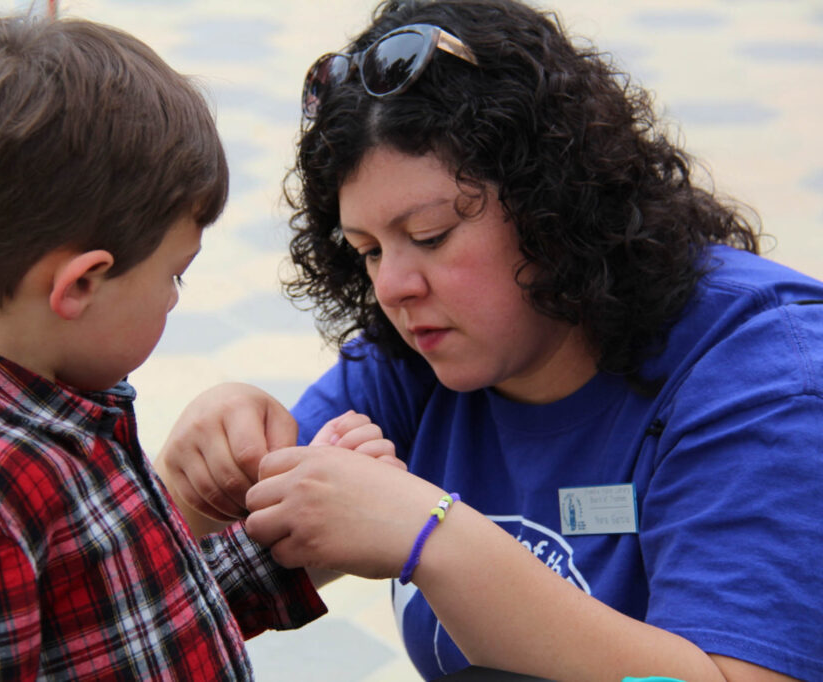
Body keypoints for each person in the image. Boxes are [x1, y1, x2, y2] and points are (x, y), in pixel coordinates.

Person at [154, 0, 823, 680]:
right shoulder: (414, 356)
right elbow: (172, 598)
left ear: (554, 204)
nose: (395, 287)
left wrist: (433, 535)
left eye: (430, 236)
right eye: (369, 250)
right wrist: (187, 492)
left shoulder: (761, 373)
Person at [0, 13, 405, 680]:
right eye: (174, 273)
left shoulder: (59, 407)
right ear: (82, 283)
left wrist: (300, 538)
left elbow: (128, 623)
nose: (175, 296)